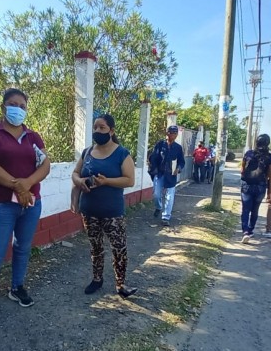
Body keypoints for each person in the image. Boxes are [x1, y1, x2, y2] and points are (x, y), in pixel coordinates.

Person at [0, 88, 51, 321]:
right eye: (13, 104)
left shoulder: (33, 137)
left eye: (23, 106)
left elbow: (45, 165)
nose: (18, 109)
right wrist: (18, 187)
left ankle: (17, 287)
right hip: (3, 204)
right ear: (4, 107)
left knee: (23, 248)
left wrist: (27, 185)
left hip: (32, 203)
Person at [71, 114, 138, 298]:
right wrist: (80, 180)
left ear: (112, 131)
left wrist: (106, 181)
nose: (97, 131)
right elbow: (75, 173)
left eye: (102, 128)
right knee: (95, 247)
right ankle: (97, 279)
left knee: (119, 248)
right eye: (95, 127)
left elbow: (129, 180)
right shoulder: (87, 152)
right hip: (89, 211)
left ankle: (121, 284)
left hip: (113, 213)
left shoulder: (122, 154)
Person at [239, 134, 271, 244]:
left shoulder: (248, 153)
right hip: (260, 186)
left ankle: (245, 231)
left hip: (247, 185)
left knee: (245, 209)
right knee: (255, 209)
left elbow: (242, 170)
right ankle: (250, 230)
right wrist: (270, 193)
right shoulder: (270, 157)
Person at [147, 125, 186, 227]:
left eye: (174, 133)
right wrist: (153, 168)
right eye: (170, 132)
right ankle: (158, 207)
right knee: (156, 194)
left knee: (170, 196)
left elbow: (182, 162)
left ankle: (165, 217)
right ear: (167, 133)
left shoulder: (178, 148)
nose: (172, 135)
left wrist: (178, 168)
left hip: (171, 175)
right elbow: (153, 157)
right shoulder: (160, 144)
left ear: (177, 135)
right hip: (159, 174)